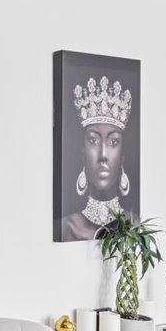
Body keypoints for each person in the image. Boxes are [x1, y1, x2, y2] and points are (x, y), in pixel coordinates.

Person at [57, 76, 136, 241]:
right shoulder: (64, 228)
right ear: (82, 153)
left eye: (113, 141)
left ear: (122, 156)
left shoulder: (135, 225)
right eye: (93, 140)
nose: (103, 155)